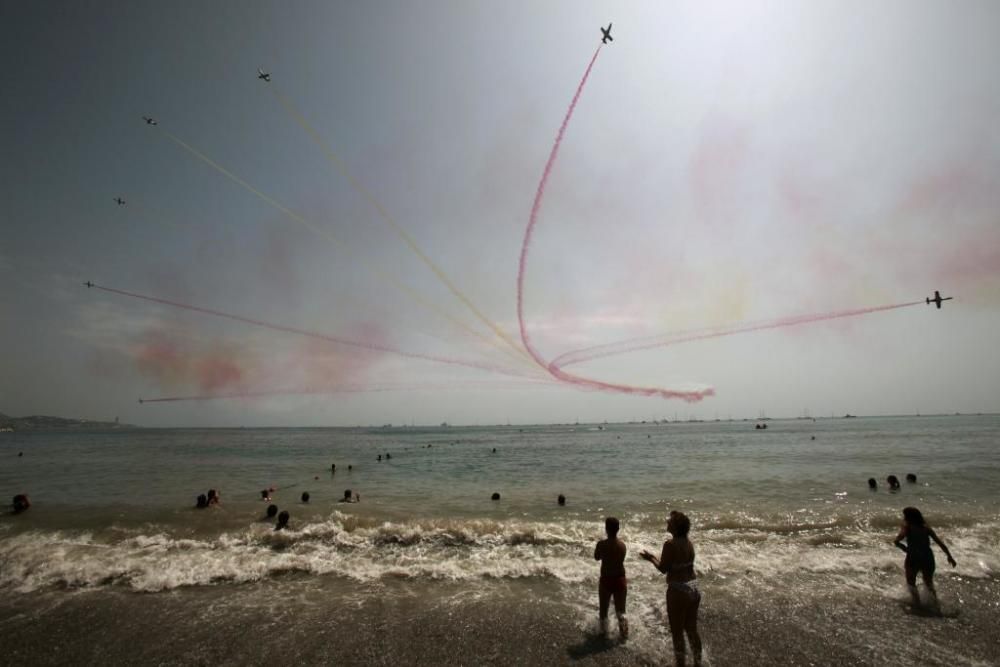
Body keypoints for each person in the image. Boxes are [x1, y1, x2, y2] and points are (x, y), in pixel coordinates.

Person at [641, 511, 702, 666]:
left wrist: (650, 558)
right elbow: (678, 564)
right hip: (694, 587)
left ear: (675, 526)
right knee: (692, 630)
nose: (667, 522)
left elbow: (663, 568)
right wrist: (655, 557)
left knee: (677, 634)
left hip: (678, 590)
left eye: (669, 521)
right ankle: (697, 663)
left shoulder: (670, 544)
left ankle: (680, 664)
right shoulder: (688, 542)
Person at [893, 506, 956, 606]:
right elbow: (939, 542)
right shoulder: (926, 528)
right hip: (927, 557)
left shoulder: (907, 527)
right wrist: (949, 556)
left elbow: (897, 541)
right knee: (929, 583)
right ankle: (935, 604)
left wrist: (905, 549)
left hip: (913, 558)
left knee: (911, 582)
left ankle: (917, 603)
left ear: (908, 517)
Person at [594, 517, 628, 639]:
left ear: (606, 529)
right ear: (618, 529)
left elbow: (596, 557)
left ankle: (603, 635)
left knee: (603, 611)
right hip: (620, 579)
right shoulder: (622, 545)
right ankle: (624, 636)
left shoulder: (601, 544)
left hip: (606, 579)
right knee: (622, 612)